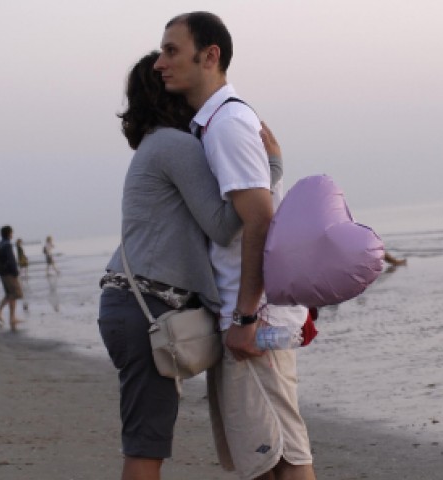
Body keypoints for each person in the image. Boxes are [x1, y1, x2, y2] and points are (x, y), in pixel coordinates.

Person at [97, 51, 283, 480]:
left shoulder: (158, 144)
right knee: (147, 443)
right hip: (147, 307)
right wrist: (269, 169)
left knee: (148, 437)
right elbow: (223, 225)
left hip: (136, 303)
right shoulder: (175, 144)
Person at [155, 12, 316, 480]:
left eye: (171, 51)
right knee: (264, 458)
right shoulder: (215, 123)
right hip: (250, 316)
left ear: (210, 56)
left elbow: (260, 221)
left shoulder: (225, 124)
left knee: (281, 456)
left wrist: (245, 317)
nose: (160, 63)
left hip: (254, 320)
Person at [0, 226, 23, 330]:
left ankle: (12, 318)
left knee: (10, 294)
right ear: (9, 233)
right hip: (9, 273)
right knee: (14, 294)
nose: (12, 234)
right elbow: (11, 259)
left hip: (2, 273)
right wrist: (15, 272)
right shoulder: (7, 245)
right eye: (11, 232)